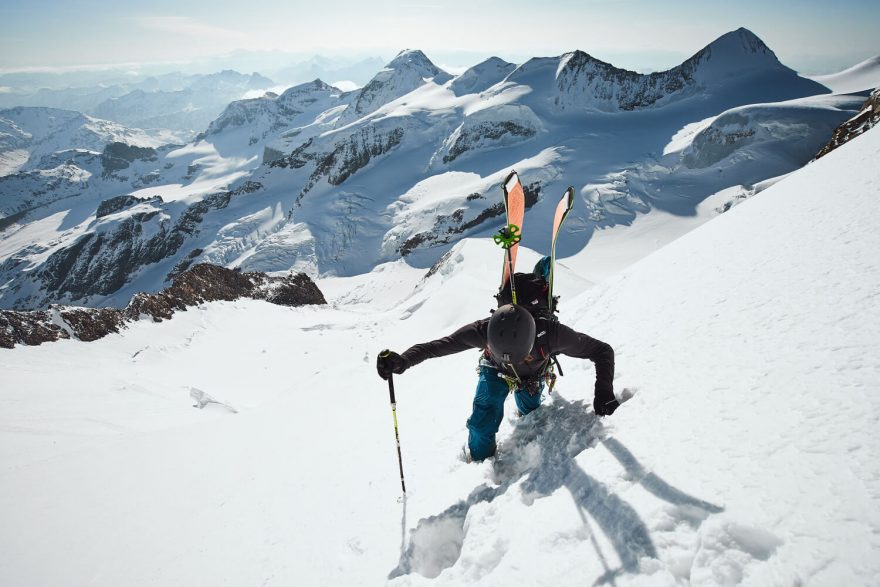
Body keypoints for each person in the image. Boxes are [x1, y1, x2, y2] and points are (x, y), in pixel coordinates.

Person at [376, 298, 618, 462]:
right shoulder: (482, 330)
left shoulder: (553, 335)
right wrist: (403, 361)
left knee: (530, 408)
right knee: (482, 421)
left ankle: (527, 415)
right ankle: (477, 463)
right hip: (494, 370)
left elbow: (603, 351)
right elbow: (437, 347)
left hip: (531, 375)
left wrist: (603, 392)